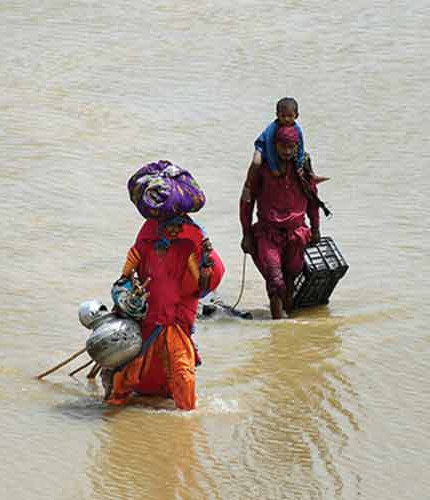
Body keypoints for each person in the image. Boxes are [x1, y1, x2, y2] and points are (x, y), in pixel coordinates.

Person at [103, 215, 224, 411]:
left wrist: (205, 266)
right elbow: (123, 280)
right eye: (171, 226)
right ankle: (112, 411)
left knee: (183, 373)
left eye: (178, 226)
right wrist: (127, 297)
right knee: (128, 376)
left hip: (172, 325)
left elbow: (199, 288)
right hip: (147, 323)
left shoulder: (186, 249)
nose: (175, 230)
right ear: (159, 227)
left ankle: (187, 419)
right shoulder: (141, 249)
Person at [240, 125, 327, 319]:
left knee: (290, 276)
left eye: (291, 147)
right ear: (274, 145)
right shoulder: (262, 168)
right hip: (268, 232)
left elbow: (312, 199)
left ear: (297, 146)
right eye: (282, 147)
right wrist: (246, 233)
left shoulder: (302, 166)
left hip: (296, 233)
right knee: (275, 279)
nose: (287, 152)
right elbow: (246, 200)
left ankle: (287, 325)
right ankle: (277, 325)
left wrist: (316, 228)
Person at [250, 97, 305, 175]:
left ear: (296, 115)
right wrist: (274, 168)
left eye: (290, 116)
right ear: (277, 115)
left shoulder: (297, 129)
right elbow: (269, 147)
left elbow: (301, 144)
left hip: (284, 148)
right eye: (283, 116)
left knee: (306, 160)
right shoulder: (272, 129)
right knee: (256, 162)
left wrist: (300, 165)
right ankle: (249, 183)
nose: (286, 119)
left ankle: (311, 178)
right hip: (264, 147)